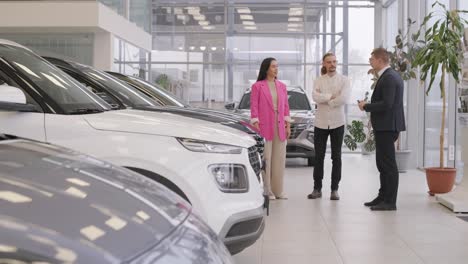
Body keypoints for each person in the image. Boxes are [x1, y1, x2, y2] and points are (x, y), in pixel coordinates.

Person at [358, 48, 405, 211]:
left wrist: (366, 106)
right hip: (385, 125)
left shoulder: (390, 77)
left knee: (388, 164)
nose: (370, 61)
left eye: (372, 58)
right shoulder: (387, 76)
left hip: (387, 126)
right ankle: (383, 196)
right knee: (382, 163)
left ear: (380, 60)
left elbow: (387, 103)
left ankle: (390, 201)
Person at [307, 52, 351, 201]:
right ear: (324, 64)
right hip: (320, 123)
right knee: (318, 157)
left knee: (336, 157)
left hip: (338, 123)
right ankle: (317, 188)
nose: (332, 64)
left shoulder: (344, 80)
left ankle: (334, 189)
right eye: (329, 62)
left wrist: (326, 98)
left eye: (334, 62)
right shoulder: (318, 80)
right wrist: (332, 96)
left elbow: (344, 98)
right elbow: (314, 96)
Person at [250, 57, 291, 200]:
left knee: (279, 159)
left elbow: (286, 107)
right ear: (266, 68)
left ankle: (278, 190)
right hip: (264, 126)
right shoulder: (257, 86)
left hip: (279, 126)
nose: (276, 69)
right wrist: (255, 122)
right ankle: (268, 191)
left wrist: (288, 124)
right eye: (273, 66)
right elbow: (254, 106)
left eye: (277, 66)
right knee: (267, 158)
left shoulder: (282, 86)